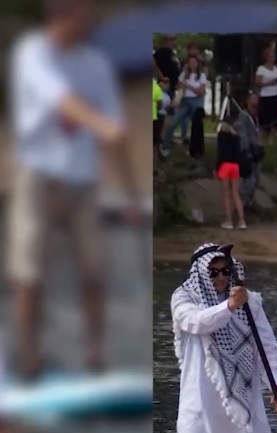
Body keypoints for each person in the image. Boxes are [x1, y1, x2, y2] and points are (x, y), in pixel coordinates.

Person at [8, 0, 140, 381]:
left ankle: (95, 360)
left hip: (82, 183)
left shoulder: (95, 63)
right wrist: (102, 127)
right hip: (38, 177)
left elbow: (117, 133)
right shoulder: (32, 52)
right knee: (29, 274)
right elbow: (64, 101)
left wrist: (131, 195)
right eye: (83, 13)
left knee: (94, 272)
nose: (90, 19)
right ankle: (29, 362)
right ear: (61, 15)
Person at [169, 243, 277, 433]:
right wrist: (229, 306)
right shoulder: (183, 298)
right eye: (214, 273)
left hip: (244, 385)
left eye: (225, 271)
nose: (221, 277)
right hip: (202, 386)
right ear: (201, 274)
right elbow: (197, 322)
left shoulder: (249, 302)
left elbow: (266, 345)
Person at [162, 54, 207, 156]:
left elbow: (200, 92)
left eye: (194, 62)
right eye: (190, 62)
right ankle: (165, 147)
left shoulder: (202, 76)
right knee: (173, 123)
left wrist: (188, 85)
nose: (192, 64)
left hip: (196, 101)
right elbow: (179, 86)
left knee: (196, 125)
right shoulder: (184, 74)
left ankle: (195, 149)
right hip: (185, 101)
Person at [214, 120, 247, 230]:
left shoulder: (222, 136)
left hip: (225, 165)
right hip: (235, 165)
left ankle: (229, 220)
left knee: (226, 194)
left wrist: (216, 167)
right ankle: (242, 220)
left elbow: (220, 153)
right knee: (236, 193)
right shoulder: (236, 137)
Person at [254, 46, 277, 144]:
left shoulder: (276, 68)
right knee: (264, 119)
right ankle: (261, 140)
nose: (273, 57)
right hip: (266, 96)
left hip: (276, 95)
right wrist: (270, 83)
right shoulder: (261, 69)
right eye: (271, 55)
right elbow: (257, 82)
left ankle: (272, 140)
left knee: (275, 119)